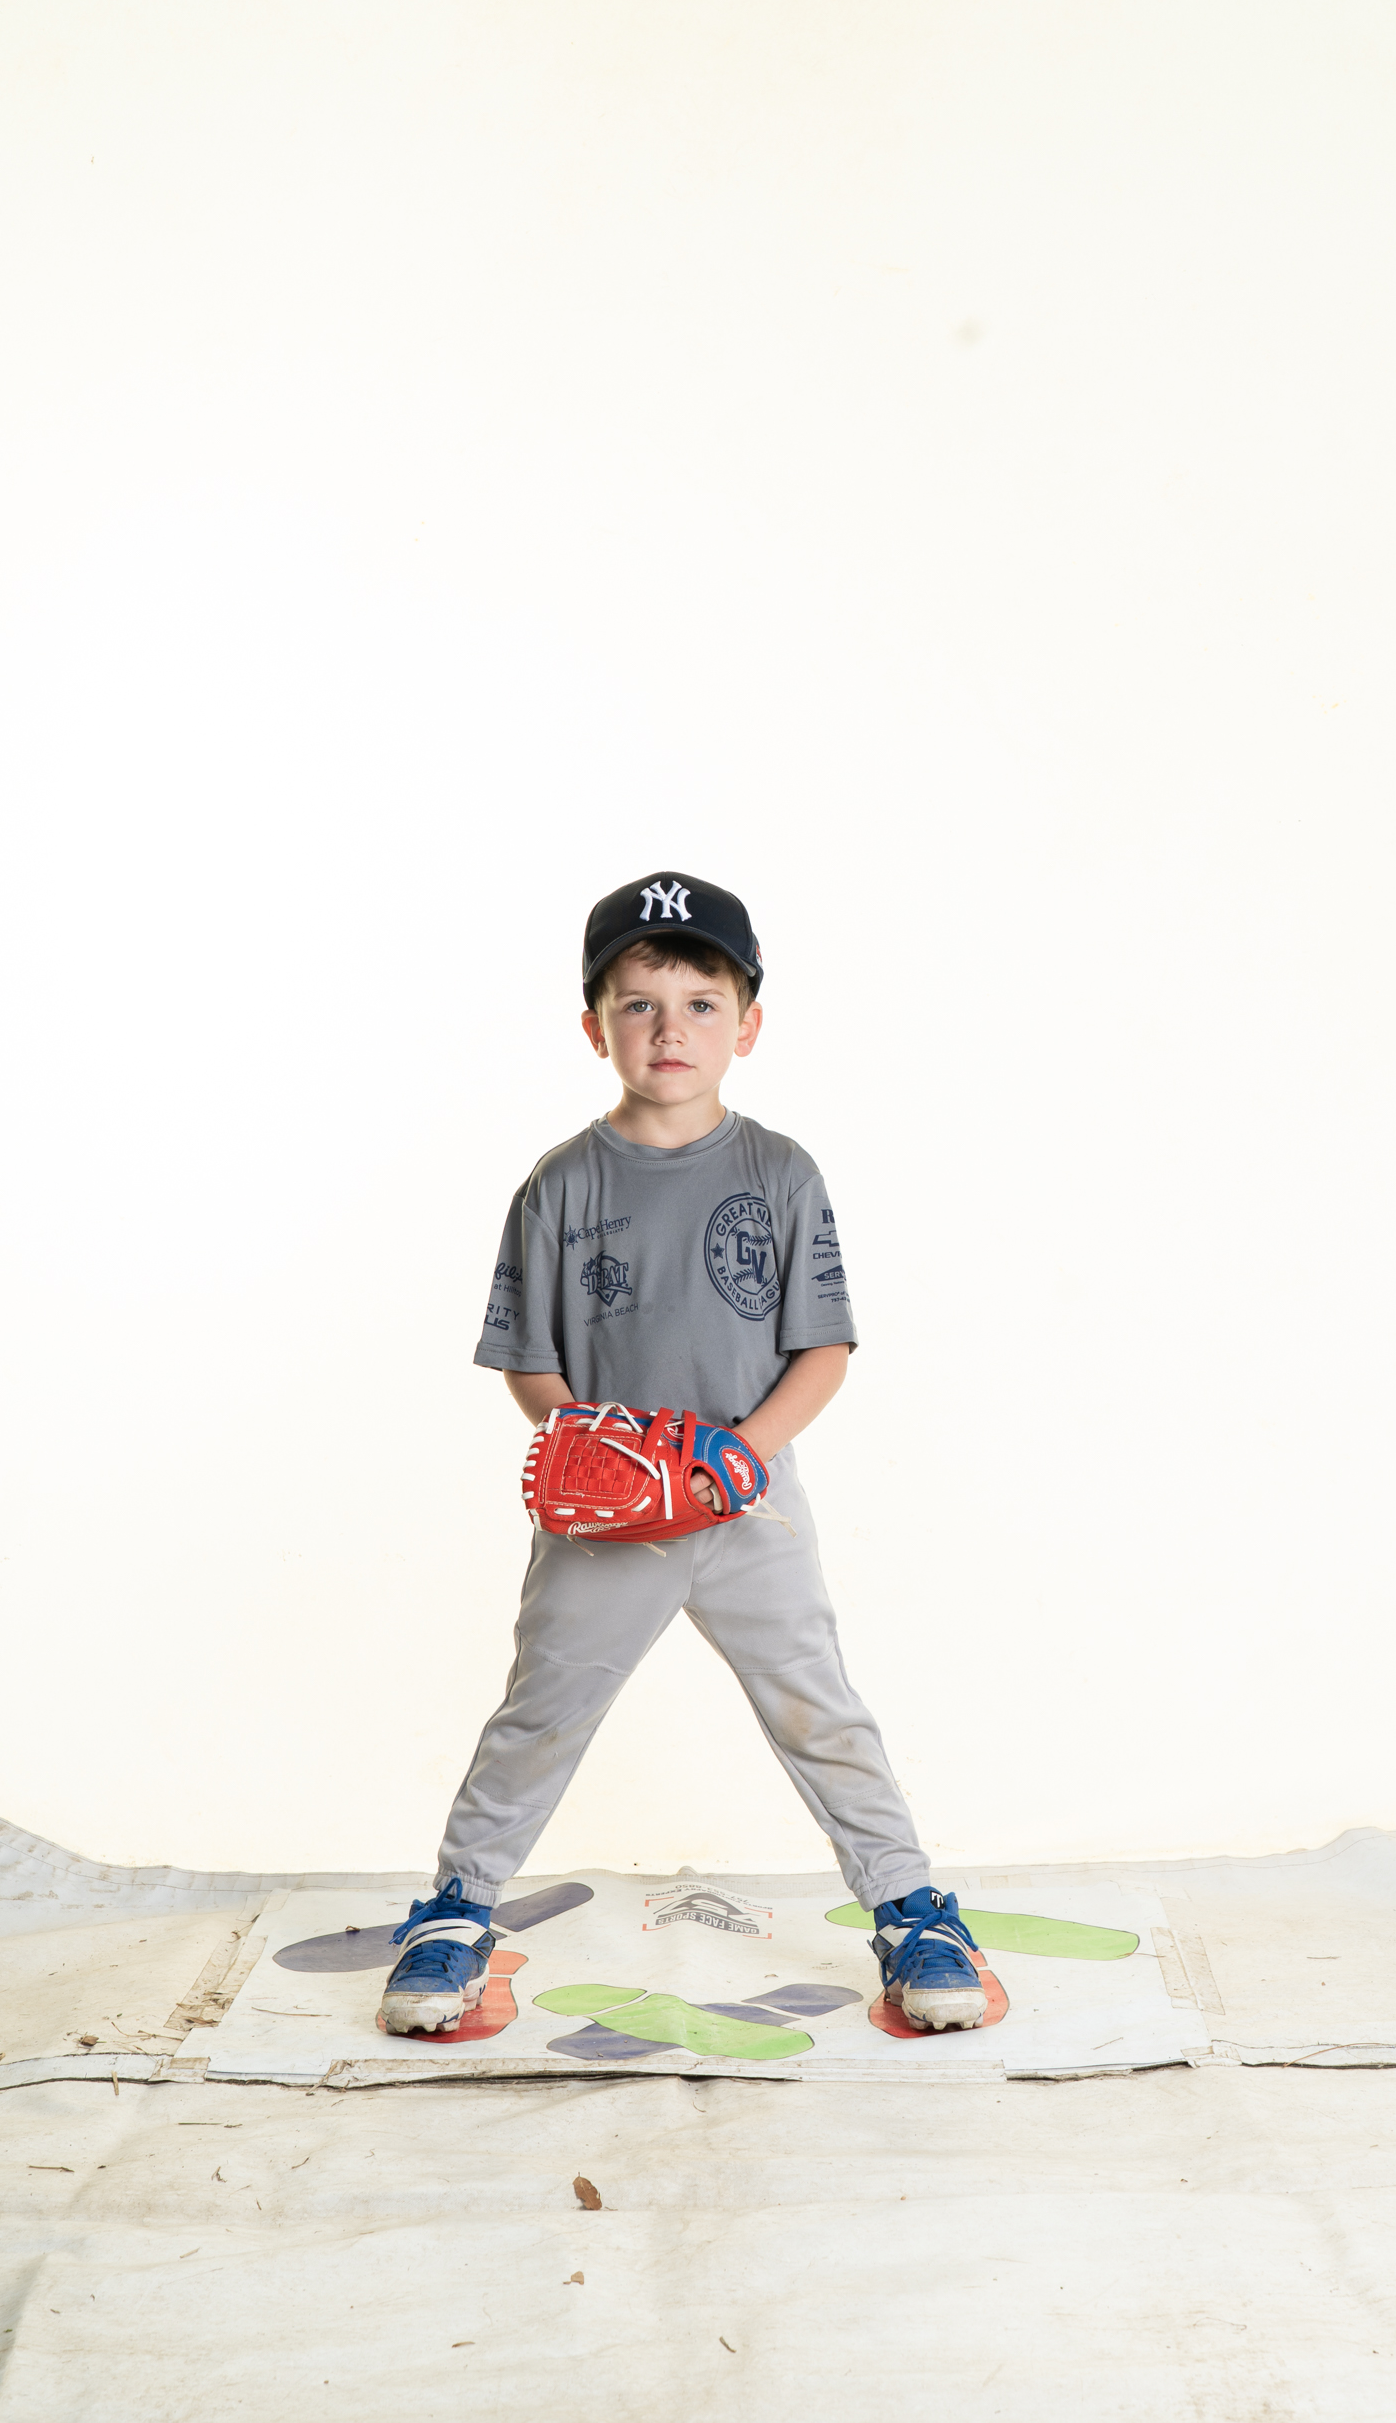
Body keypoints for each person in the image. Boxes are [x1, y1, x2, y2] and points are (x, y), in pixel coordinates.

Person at [377, 872, 989, 2039]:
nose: (671, 1029)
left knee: (819, 1708)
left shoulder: (780, 1171)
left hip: (749, 1506)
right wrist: (595, 1446)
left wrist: (740, 1456)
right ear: (594, 1025)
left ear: (746, 1025)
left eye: (702, 1002)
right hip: (607, 1518)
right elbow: (529, 1363)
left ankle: (912, 1909)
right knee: (540, 1713)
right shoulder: (560, 1183)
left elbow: (821, 1350)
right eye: (639, 1003)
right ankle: (456, 1907)